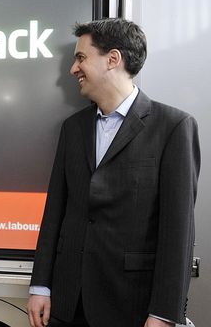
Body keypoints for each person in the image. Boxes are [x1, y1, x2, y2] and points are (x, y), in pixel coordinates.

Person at [28, 18, 200, 327]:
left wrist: (163, 314)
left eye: (81, 57)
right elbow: (55, 211)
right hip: (67, 305)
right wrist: (40, 285)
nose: (73, 69)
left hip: (131, 306)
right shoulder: (73, 128)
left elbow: (179, 232)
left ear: (113, 59)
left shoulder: (173, 127)